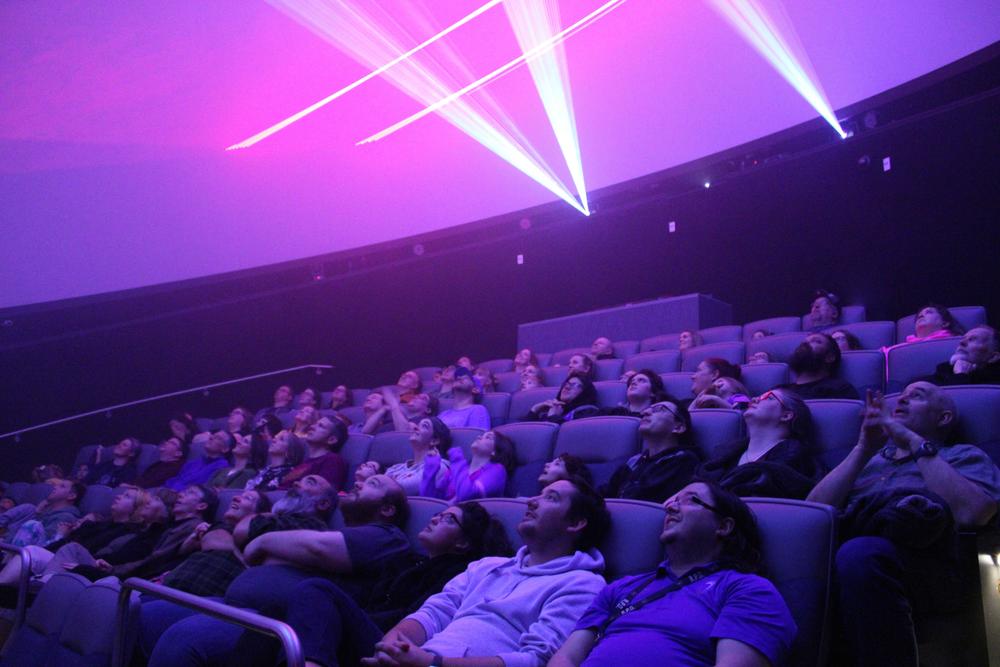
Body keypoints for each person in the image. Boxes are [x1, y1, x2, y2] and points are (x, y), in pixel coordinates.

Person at [807, 383, 1000, 666]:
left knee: (860, 553)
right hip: (855, 557)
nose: (903, 400)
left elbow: (974, 513)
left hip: (933, 564)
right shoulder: (870, 462)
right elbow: (814, 514)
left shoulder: (961, 455)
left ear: (943, 418)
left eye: (917, 397)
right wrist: (863, 448)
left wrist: (912, 441)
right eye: (902, 396)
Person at [143, 475, 412, 665]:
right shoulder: (338, 533)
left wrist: (262, 541)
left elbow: (317, 548)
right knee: (143, 616)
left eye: (372, 484)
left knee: (181, 641)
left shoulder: (388, 536)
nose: (358, 483)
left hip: (279, 624)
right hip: (233, 603)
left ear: (387, 509)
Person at [364, 477, 611, 667]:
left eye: (552, 498)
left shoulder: (583, 583)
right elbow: (434, 613)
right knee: (325, 595)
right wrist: (390, 648)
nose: (532, 501)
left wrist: (433, 663)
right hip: (419, 659)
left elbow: (536, 660)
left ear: (576, 523)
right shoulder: (486, 565)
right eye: (539, 494)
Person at [550, 481, 796, 667]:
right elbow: (567, 656)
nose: (670, 506)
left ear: (723, 526)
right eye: (672, 500)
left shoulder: (747, 590)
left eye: (691, 500)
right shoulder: (621, 587)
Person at [280, 502, 514, 667]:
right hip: (367, 632)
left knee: (316, 591)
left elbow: (415, 619)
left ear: (463, 543)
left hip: (394, 646)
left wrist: (347, 616)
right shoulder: (407, 561)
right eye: (438, 514)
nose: (434, 518)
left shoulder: (458, 574)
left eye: (448, 519)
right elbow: (366, 595)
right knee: (280, 614)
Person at [0, 486, 148, 586]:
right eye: (122, 494)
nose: (118, 497)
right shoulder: (96, 524)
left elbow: (110, 560)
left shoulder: (129, 534)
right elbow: (66, 540)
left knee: (32, 552)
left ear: (136, 508)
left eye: (126, 497)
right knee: (30, 552)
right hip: (60, 558)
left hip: (80, 566)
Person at [699, 389, 821, 499]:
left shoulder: (796, 458)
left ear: (786, 415)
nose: (754, 399)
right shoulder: (723, 454)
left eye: (768, 397)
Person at [158, 490, 272, 598]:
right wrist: (191, 542)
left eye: (248, 498)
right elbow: (176, 555)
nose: (235, 497)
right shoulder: (212, 527)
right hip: (170, 587)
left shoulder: (258, 540)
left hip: (200, 600)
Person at [602, 399, 700, 503]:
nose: (645, 412)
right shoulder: (634, 461)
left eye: (659, 409)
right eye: (648, 409)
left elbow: (640, 499)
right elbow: (605, 493)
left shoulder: (684, 461)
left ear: (678, 427)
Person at [421, 430, 515, 501]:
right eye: (482, 435)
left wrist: (457, 460)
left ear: (495, 451)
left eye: (488, 437)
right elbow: (431, 498)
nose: (479, 436)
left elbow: (465, 495)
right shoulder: (459, 468)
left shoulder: (498, 470)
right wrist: (431, 467)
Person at [0, 478, 84, 547]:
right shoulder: (40, 511)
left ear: (71, 496)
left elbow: (45, 544)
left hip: (25, 556)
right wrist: (38, 512)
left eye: (62, 486)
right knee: (29, 508)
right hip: (7, 543)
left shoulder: (66, 517)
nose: (54, 487)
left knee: (32, 523)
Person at [778, 332, 859, 400]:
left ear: (830, 357)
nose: (805, 344)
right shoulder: (779, 391)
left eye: (816, 341)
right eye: (804, 342)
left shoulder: (840, 390)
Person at [386, 417, 452, 495]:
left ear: (434, 441)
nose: (415, 427)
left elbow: (402, 489)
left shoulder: (438, 467)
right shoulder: (396, 468)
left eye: (424, 426)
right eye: (418, 425)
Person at [280, 416, 348, 490]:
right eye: (315, 424)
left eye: (321, 426)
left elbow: (323, 495)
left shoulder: (332, 461)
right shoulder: (306, 461)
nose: (312, 426)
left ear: (331, 440)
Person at [924, 325, 1000, 385]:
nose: (961, 342)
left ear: (993, 357)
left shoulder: (995, 387)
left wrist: (960, 376)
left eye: (972, 339)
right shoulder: (935, 378)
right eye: (964, 338)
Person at [164, 430, 233, 491]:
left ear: (225, 449)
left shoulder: (223, 467)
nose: (211, 438)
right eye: (213, 435)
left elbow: (202, 488)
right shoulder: (192, 462)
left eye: (218, 438)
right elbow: (175, 479)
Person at [526, 372, 600, 424]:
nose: (566, 387)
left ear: (585, 392)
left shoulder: (587, 412)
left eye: (574, 385)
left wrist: (553, 417)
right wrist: (534, 409)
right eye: (566, 384)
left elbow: (567, 435)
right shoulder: (555, 410)